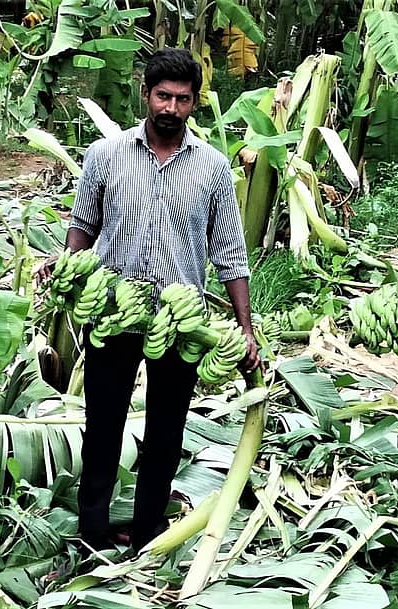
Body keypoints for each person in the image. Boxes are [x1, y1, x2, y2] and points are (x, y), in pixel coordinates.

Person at [40, 48, 260, 554]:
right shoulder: (105, 155)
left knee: (166, 432)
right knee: (103, 425)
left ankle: (146, 531)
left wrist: (245, 327)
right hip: (113, 311)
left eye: (183, 100)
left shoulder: (212, 169)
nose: (171, 108)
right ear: (146, 94)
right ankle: (92, 530)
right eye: (163, 96)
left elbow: (230, 253)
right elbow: (83, 226)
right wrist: (67, 268)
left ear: (194, 103)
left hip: (179, 321)